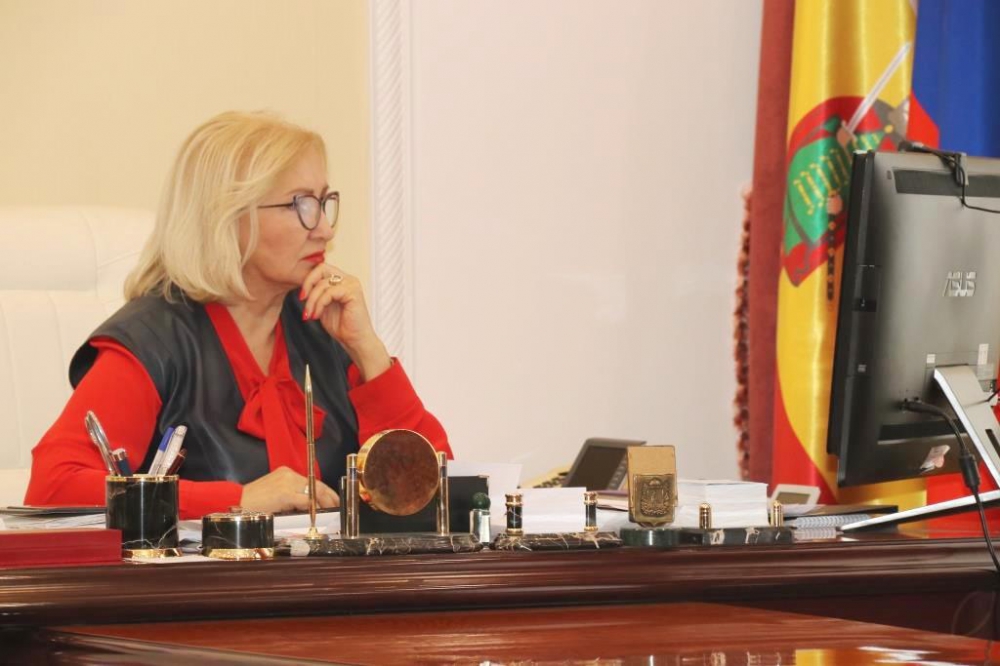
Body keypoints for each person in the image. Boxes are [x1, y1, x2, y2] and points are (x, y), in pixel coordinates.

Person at [24, 111, 451, 518]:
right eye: (301, 204)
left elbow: (434, 491)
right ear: (227, 217)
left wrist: (368, 350)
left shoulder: (322, 324)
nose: (325, 228)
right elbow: (54, 489)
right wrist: (239, 500)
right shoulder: (154, 340)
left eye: (324, 203)